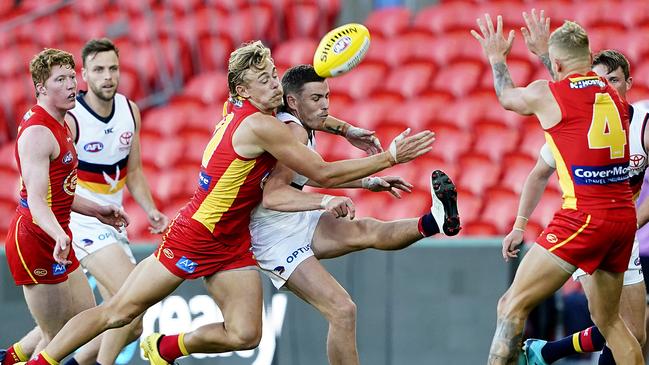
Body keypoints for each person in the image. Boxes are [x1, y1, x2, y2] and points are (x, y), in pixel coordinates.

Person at [22, 40, 435, 365]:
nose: (276, 84)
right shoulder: (258, 126)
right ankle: (44, 361)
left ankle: (163, 348)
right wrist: (390, 156)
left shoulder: (250, 109)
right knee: (118, 313)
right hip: (196, 234)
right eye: (266, 80)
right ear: (243, 91)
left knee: (245, 335)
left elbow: (303, 114)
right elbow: (323, 174)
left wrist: (342, 128)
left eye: (275, 75)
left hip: (233, 240)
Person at [245, 64, 461, 365]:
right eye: (317, 98)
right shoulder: (291, 130)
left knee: (367, 230)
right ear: (293, 102)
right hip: (272, 236)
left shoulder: (297, 119)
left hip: (290, 218)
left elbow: (306, 172)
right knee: (342, 310)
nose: (325, 106)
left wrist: (358, 162)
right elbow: (275, 195)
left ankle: (434, 222)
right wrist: (327, 200)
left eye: (327, 97)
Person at [471, 14, 644, 365]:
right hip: (624, 220)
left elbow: (507, 97)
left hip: (583, 219)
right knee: (611, 323)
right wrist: (545, 54)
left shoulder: (547, 93)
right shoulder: (613, 95)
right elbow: (574, 89)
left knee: (510, 305)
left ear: (558, 62)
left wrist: (496, 57)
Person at [1, 38, 170, 365]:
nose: (70, 86)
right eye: (60, 80)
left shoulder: (62, 121)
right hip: (36, 239)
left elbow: (61, 188)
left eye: (70, 78)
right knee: (57, 338)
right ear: (41, 88)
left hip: (60, 230)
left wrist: (98, 209)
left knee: (89, 321)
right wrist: (60, 234)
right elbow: (36, 200)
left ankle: (10, 357)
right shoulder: (39, 131)